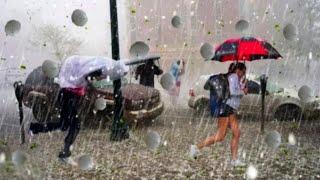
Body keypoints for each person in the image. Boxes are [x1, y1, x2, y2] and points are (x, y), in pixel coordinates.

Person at [28, 55, 129, 161]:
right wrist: (94, 90)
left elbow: (86, 79)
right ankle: (65, 153)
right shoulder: (96, 70)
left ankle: (34, 128)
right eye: (101, 77)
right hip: (69, 96)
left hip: (67, 95)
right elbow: (89, 78)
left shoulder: (98, 68)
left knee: (63, 125)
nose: (102, 78)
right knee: (75, 125)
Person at [194, 63, 248, 166]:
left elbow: (235, 91)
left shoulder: (234, 78)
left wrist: (242, 86)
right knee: (219, 136)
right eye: (243, 72)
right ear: (238, 70)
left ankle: (234, 160)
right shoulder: (233, 77)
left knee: (236, 133)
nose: (244, 74)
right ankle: (196, 148)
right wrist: (242, 91)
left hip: (229, 109)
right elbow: (232, 92)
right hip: (226, 108)